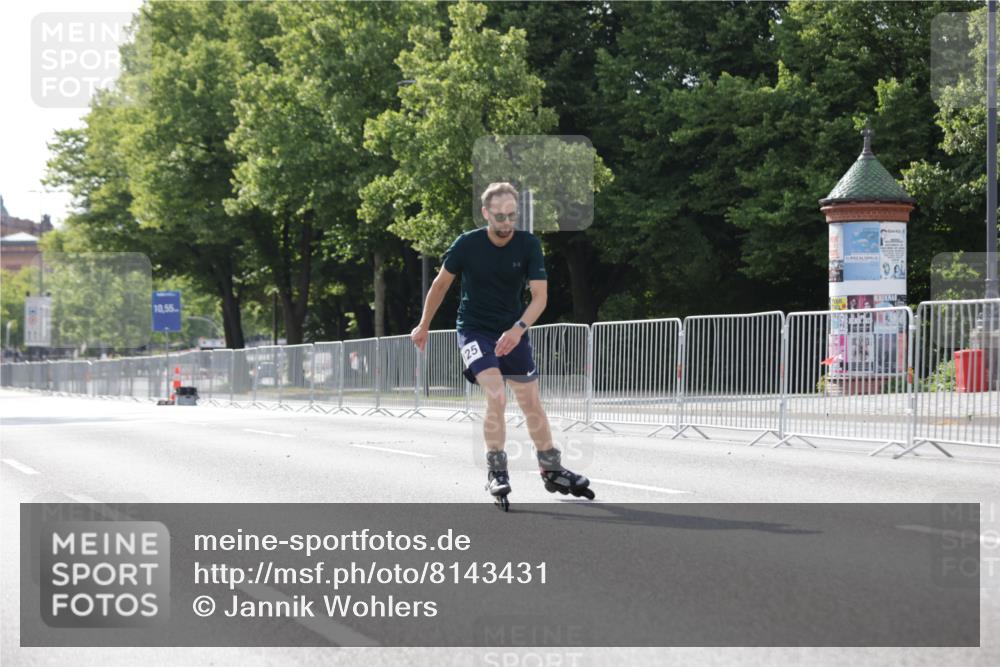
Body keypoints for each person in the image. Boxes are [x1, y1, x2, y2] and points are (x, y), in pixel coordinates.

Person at [410, 182, 593, 508]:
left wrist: (519, 328)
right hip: (474, 331)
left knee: (531, 403)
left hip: (513, 331)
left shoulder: (527, 245)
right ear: (486, 213)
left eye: (511, 215)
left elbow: (540, 298)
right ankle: (497, 470)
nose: (506, 222)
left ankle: (551, 468)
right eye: (499, 216)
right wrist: (423, 325)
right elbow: (440, 286)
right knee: (495, 394)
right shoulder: (467, 244)